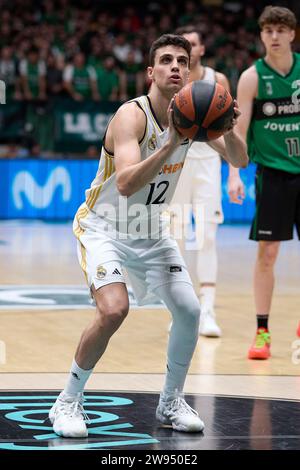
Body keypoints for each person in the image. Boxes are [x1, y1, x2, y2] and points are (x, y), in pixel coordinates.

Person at [49, 34, 248, 438]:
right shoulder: (132, 116)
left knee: (190, 313)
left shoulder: (195, 116)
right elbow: (124, 183)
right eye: (167, 60)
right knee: (113, 309)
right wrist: (172, 143)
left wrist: (228, 127)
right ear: (151, 72)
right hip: (104, 227)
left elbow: (241, 159)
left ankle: (170, 401)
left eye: (182, 61)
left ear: (190, 72)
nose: (176, 66)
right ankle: (67, 401)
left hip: (152, 231)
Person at [171, 25, 245, 337]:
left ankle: (208, 310)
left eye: (192, 44)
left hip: (207, 165)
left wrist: (235, 174)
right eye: (182, 45)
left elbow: (231, 131)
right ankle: (180, 311)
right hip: (176, 163)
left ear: (201, 49)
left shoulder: (218, 81)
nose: (187, 49)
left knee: (207, 237)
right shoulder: (172, 79)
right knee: (174, 239)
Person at [235, 6, 300, 359]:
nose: (274, 36)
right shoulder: (252, 78)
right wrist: (233, 173)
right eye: (268, 30)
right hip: (272, 174)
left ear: (292, 33)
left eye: (281, 30)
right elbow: (239, 131)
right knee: (268, 253)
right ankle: (262, 331)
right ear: (261, 35)